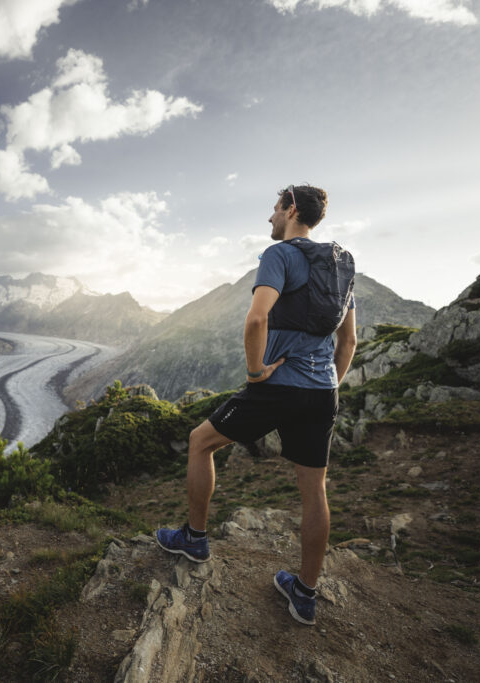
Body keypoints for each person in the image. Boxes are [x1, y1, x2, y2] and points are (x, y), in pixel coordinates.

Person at [155, 184, 357, 626]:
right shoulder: (339, 270)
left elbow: (257, 318)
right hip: (322, 393)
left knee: (200, 442)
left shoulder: (280, 256)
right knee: (314, 490)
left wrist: (254, 373)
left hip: (277, 384)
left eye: (273, 209)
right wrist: (326, 388)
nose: (269, 218)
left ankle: (195, 538)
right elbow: (349, 341)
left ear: (290, 209)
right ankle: (305, 593)